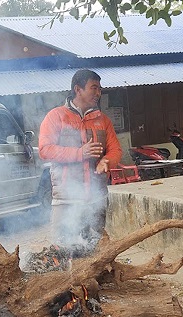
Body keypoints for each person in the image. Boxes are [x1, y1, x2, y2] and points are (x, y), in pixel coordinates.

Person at [38, 69, 122, 255]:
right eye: (94, 88)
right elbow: (45, 149)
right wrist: (79, 153)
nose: (98, 93)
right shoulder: (56, 116)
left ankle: (92, 284)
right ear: (78, 89)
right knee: (62, 251)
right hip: (66, 199)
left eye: (100, 89)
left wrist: (107, 161)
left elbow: (116, 149)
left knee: (94, 251)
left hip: (96, 199)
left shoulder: (103, 121)